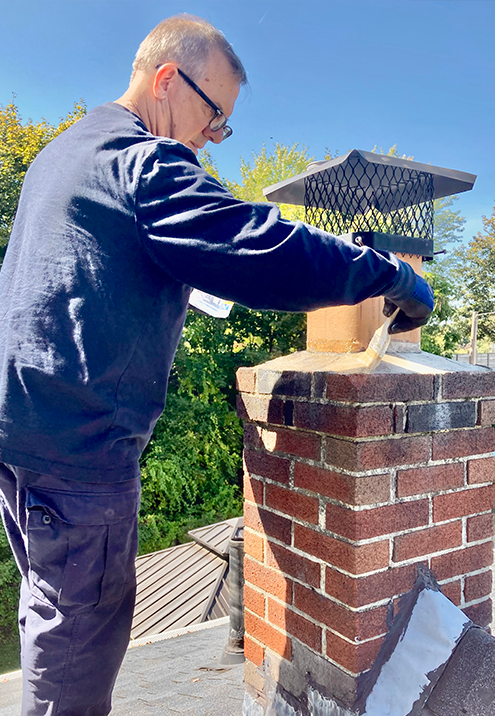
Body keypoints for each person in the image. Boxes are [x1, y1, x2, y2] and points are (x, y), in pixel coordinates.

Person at [0, 14, 434, 716]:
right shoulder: (136, 161)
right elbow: (256, 248)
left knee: (51, 609)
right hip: (78, 444)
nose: (213, 137)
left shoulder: (66, 151)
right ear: (167, 78)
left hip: (22, 427)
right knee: (79, 645)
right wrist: (385, 273)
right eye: (214, 116)